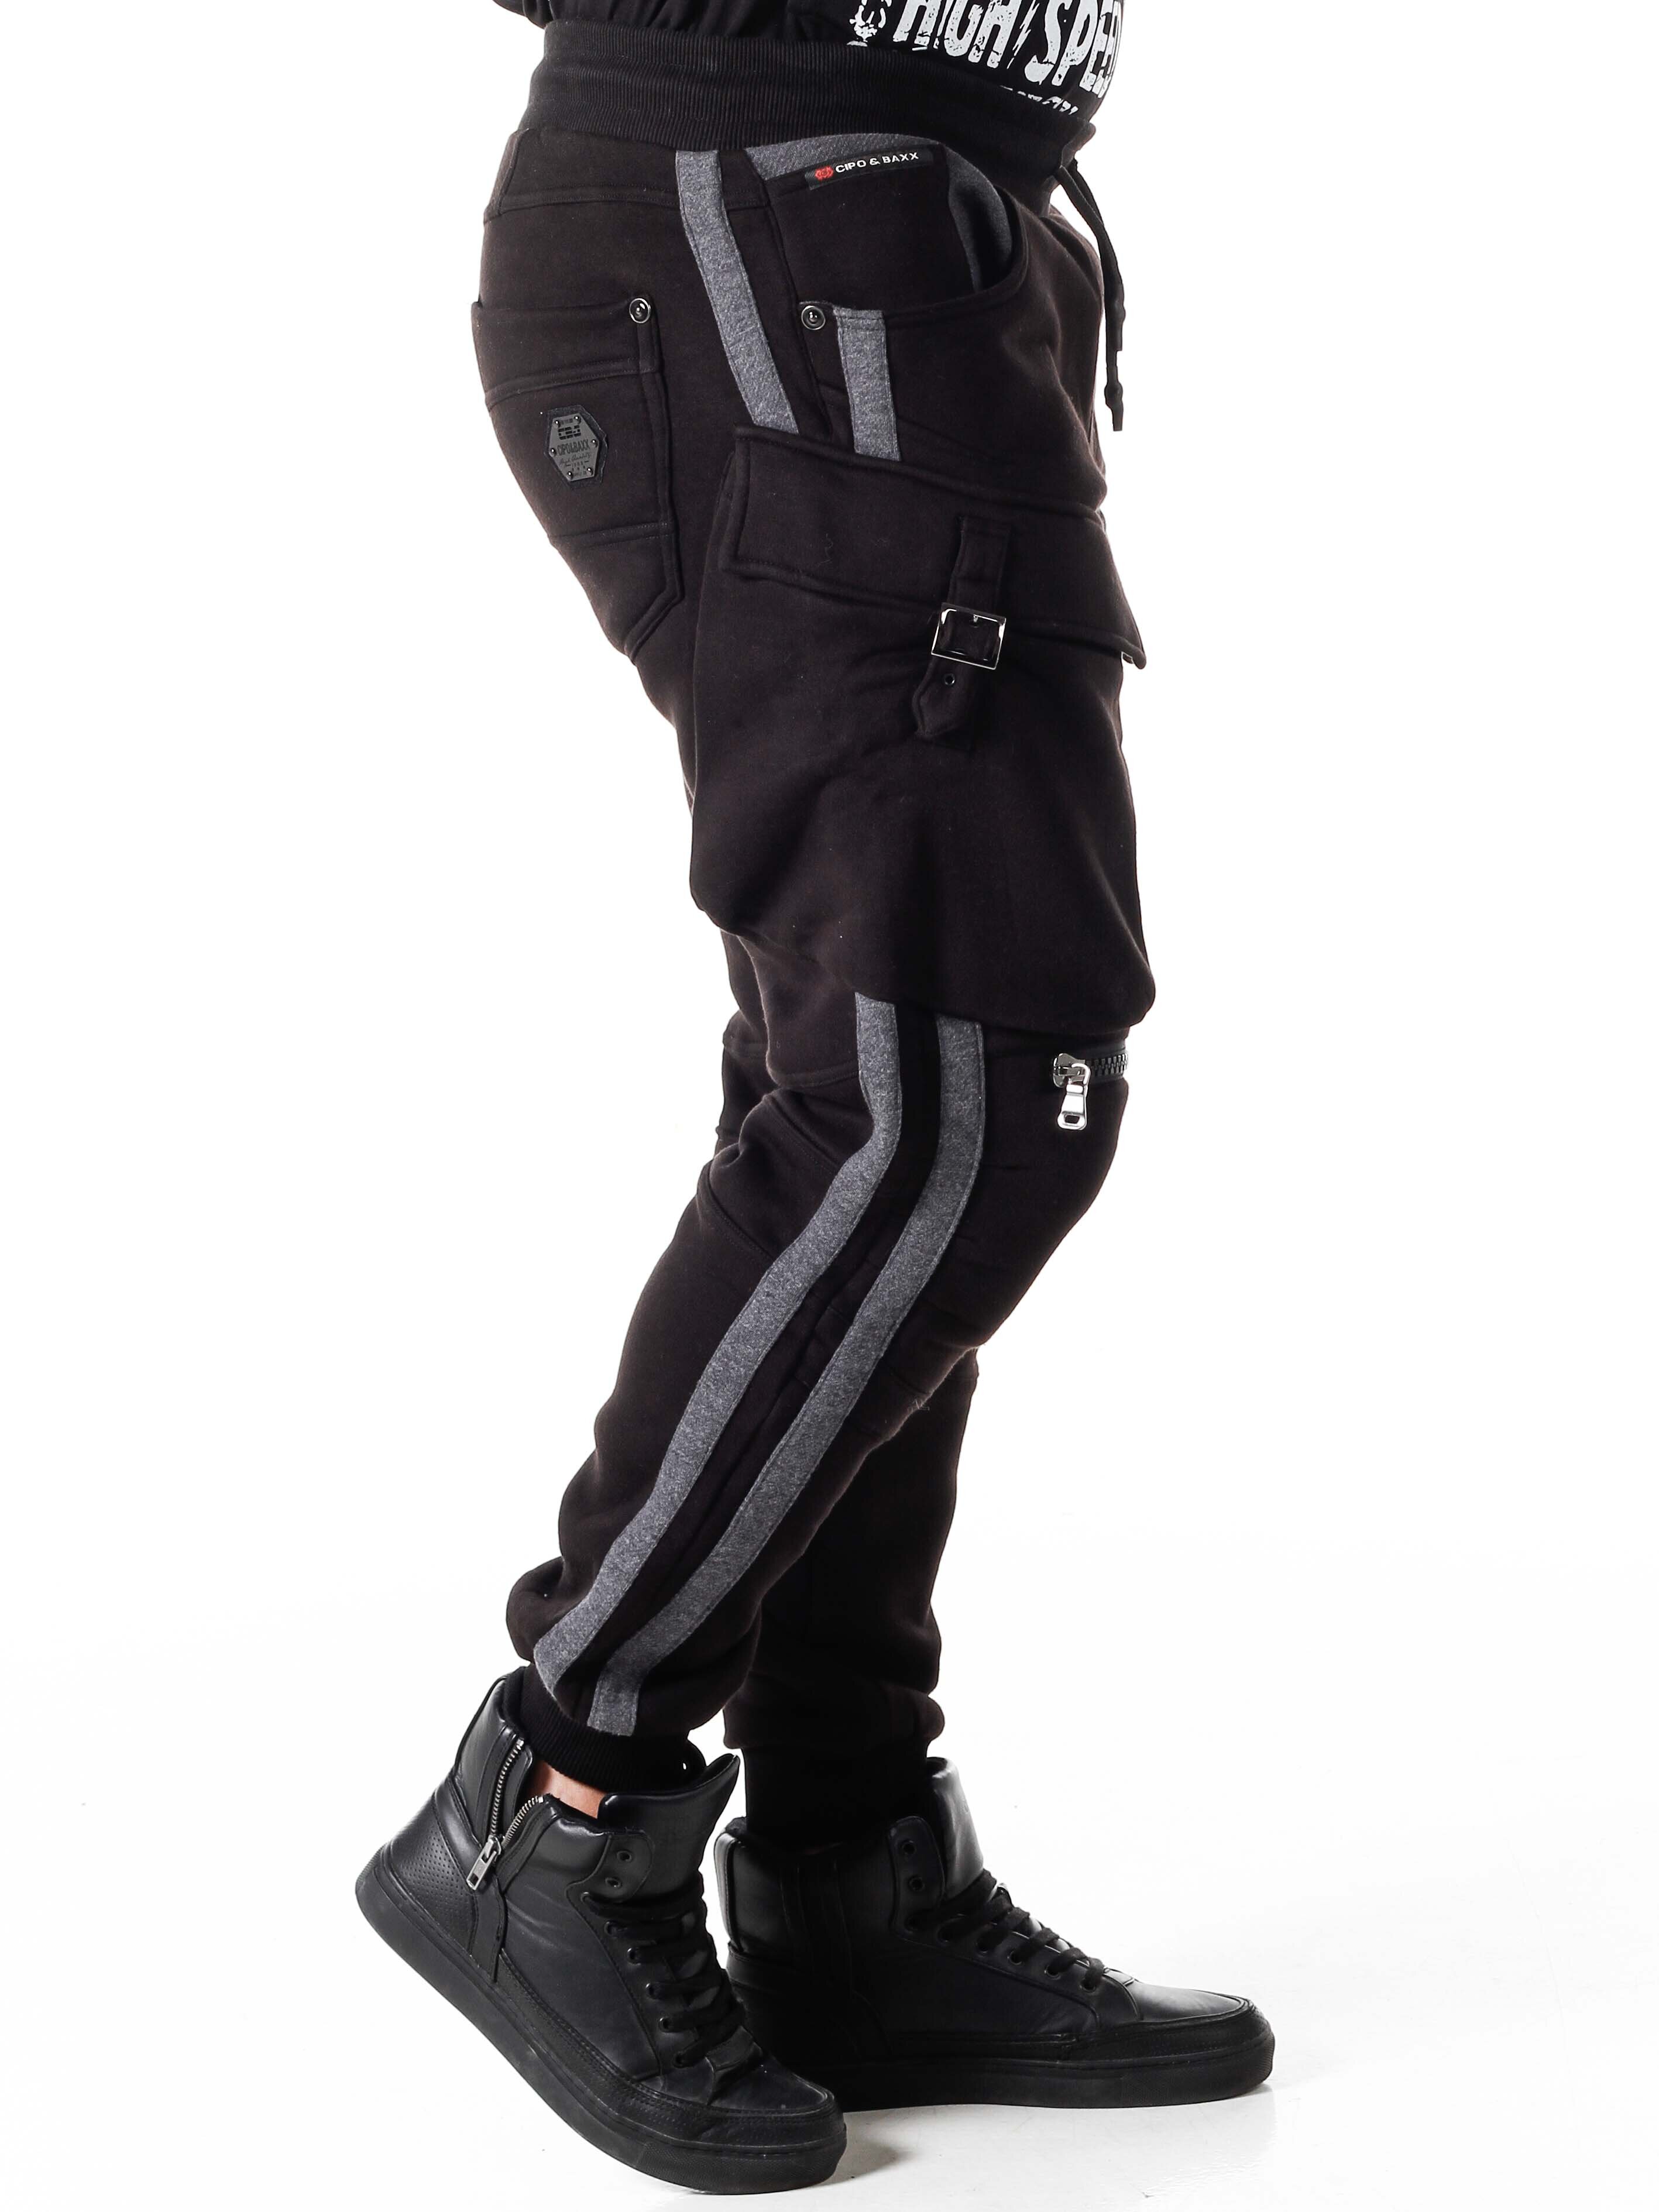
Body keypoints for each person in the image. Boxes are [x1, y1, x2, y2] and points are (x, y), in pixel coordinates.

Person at [356, 0, 1272, 2187]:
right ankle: (557, 1790)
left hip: (891, 240)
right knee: (950, 1104)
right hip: (778, 220)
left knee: (886, 1070)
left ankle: (844, 1867)